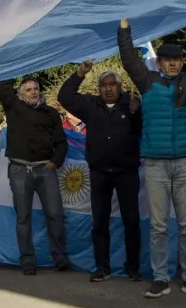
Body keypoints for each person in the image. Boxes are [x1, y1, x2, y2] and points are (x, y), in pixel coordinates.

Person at [118, 11, 186, 298]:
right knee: (158, 226)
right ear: (159, 63)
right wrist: (124, 28)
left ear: (182, 62)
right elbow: (128, 59)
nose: (172, 63)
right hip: (156, 164)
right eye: (167, 60)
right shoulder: (147, 81)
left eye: (177, 60)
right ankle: (160, 278)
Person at [58, 63, 143, 282]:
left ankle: (133, 268)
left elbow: (143, 129)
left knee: (131, 221)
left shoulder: (132, 103)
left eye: (112, 84)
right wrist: (80, 73)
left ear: (120, 86)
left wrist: (137, 113)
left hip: (126, 172)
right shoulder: (90, 104)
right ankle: (103, 267)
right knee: (100, 222)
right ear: (99, 88)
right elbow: (64, 97)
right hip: (99, 173)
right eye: (104, 85)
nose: (108, 88)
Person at [0, 77, 71, 275]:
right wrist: (17, 63)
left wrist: (56, 161)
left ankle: (60, 258)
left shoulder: (51, 113)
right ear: (21, 95)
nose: (33, 92)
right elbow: (3, 87)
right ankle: (27, 261)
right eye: (28, 89)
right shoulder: (14, 108)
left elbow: (61, 142)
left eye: (36, 88)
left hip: (45, 168)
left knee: (54, 214)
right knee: (23, 217)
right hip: (19, 169)